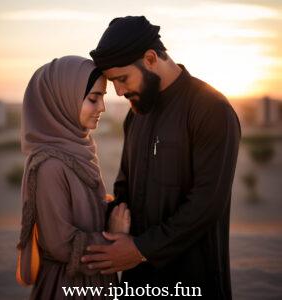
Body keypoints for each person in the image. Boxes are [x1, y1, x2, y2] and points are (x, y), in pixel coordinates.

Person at [81, 16, 241, 299]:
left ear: (151, 58)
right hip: (137, 283)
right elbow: (124, 188)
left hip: (194, 283)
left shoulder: (211, 109)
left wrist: (141, 250)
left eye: (122, 78)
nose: (118, 92)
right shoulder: (136, 114)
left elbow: (207, 204)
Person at [16, 55, 130, 299]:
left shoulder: (77, 151)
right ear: (62, 100)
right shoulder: (50, 165)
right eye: (93, 98)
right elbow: (61, 246)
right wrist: (112, 235)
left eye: (102, 97)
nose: (101, 107)